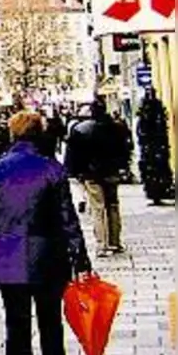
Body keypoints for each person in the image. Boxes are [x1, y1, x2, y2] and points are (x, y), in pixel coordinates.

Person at [0, 111, 92, 355]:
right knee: (51, 323)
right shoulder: (52, 169)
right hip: (49, 258)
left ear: (13, 134)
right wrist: (81, 257)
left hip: (8, 257)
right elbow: (68, 219)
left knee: (16, 326)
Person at [65, 98, 130, 256]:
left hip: (91, 174)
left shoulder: (81, 129)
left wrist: (76, 172)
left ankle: (102, 245)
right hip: (111, 173)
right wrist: (123, 167)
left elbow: (74, 155)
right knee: (113, 206)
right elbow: (125, 149)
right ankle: (115, 242)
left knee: (97, 208)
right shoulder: (117, 128)